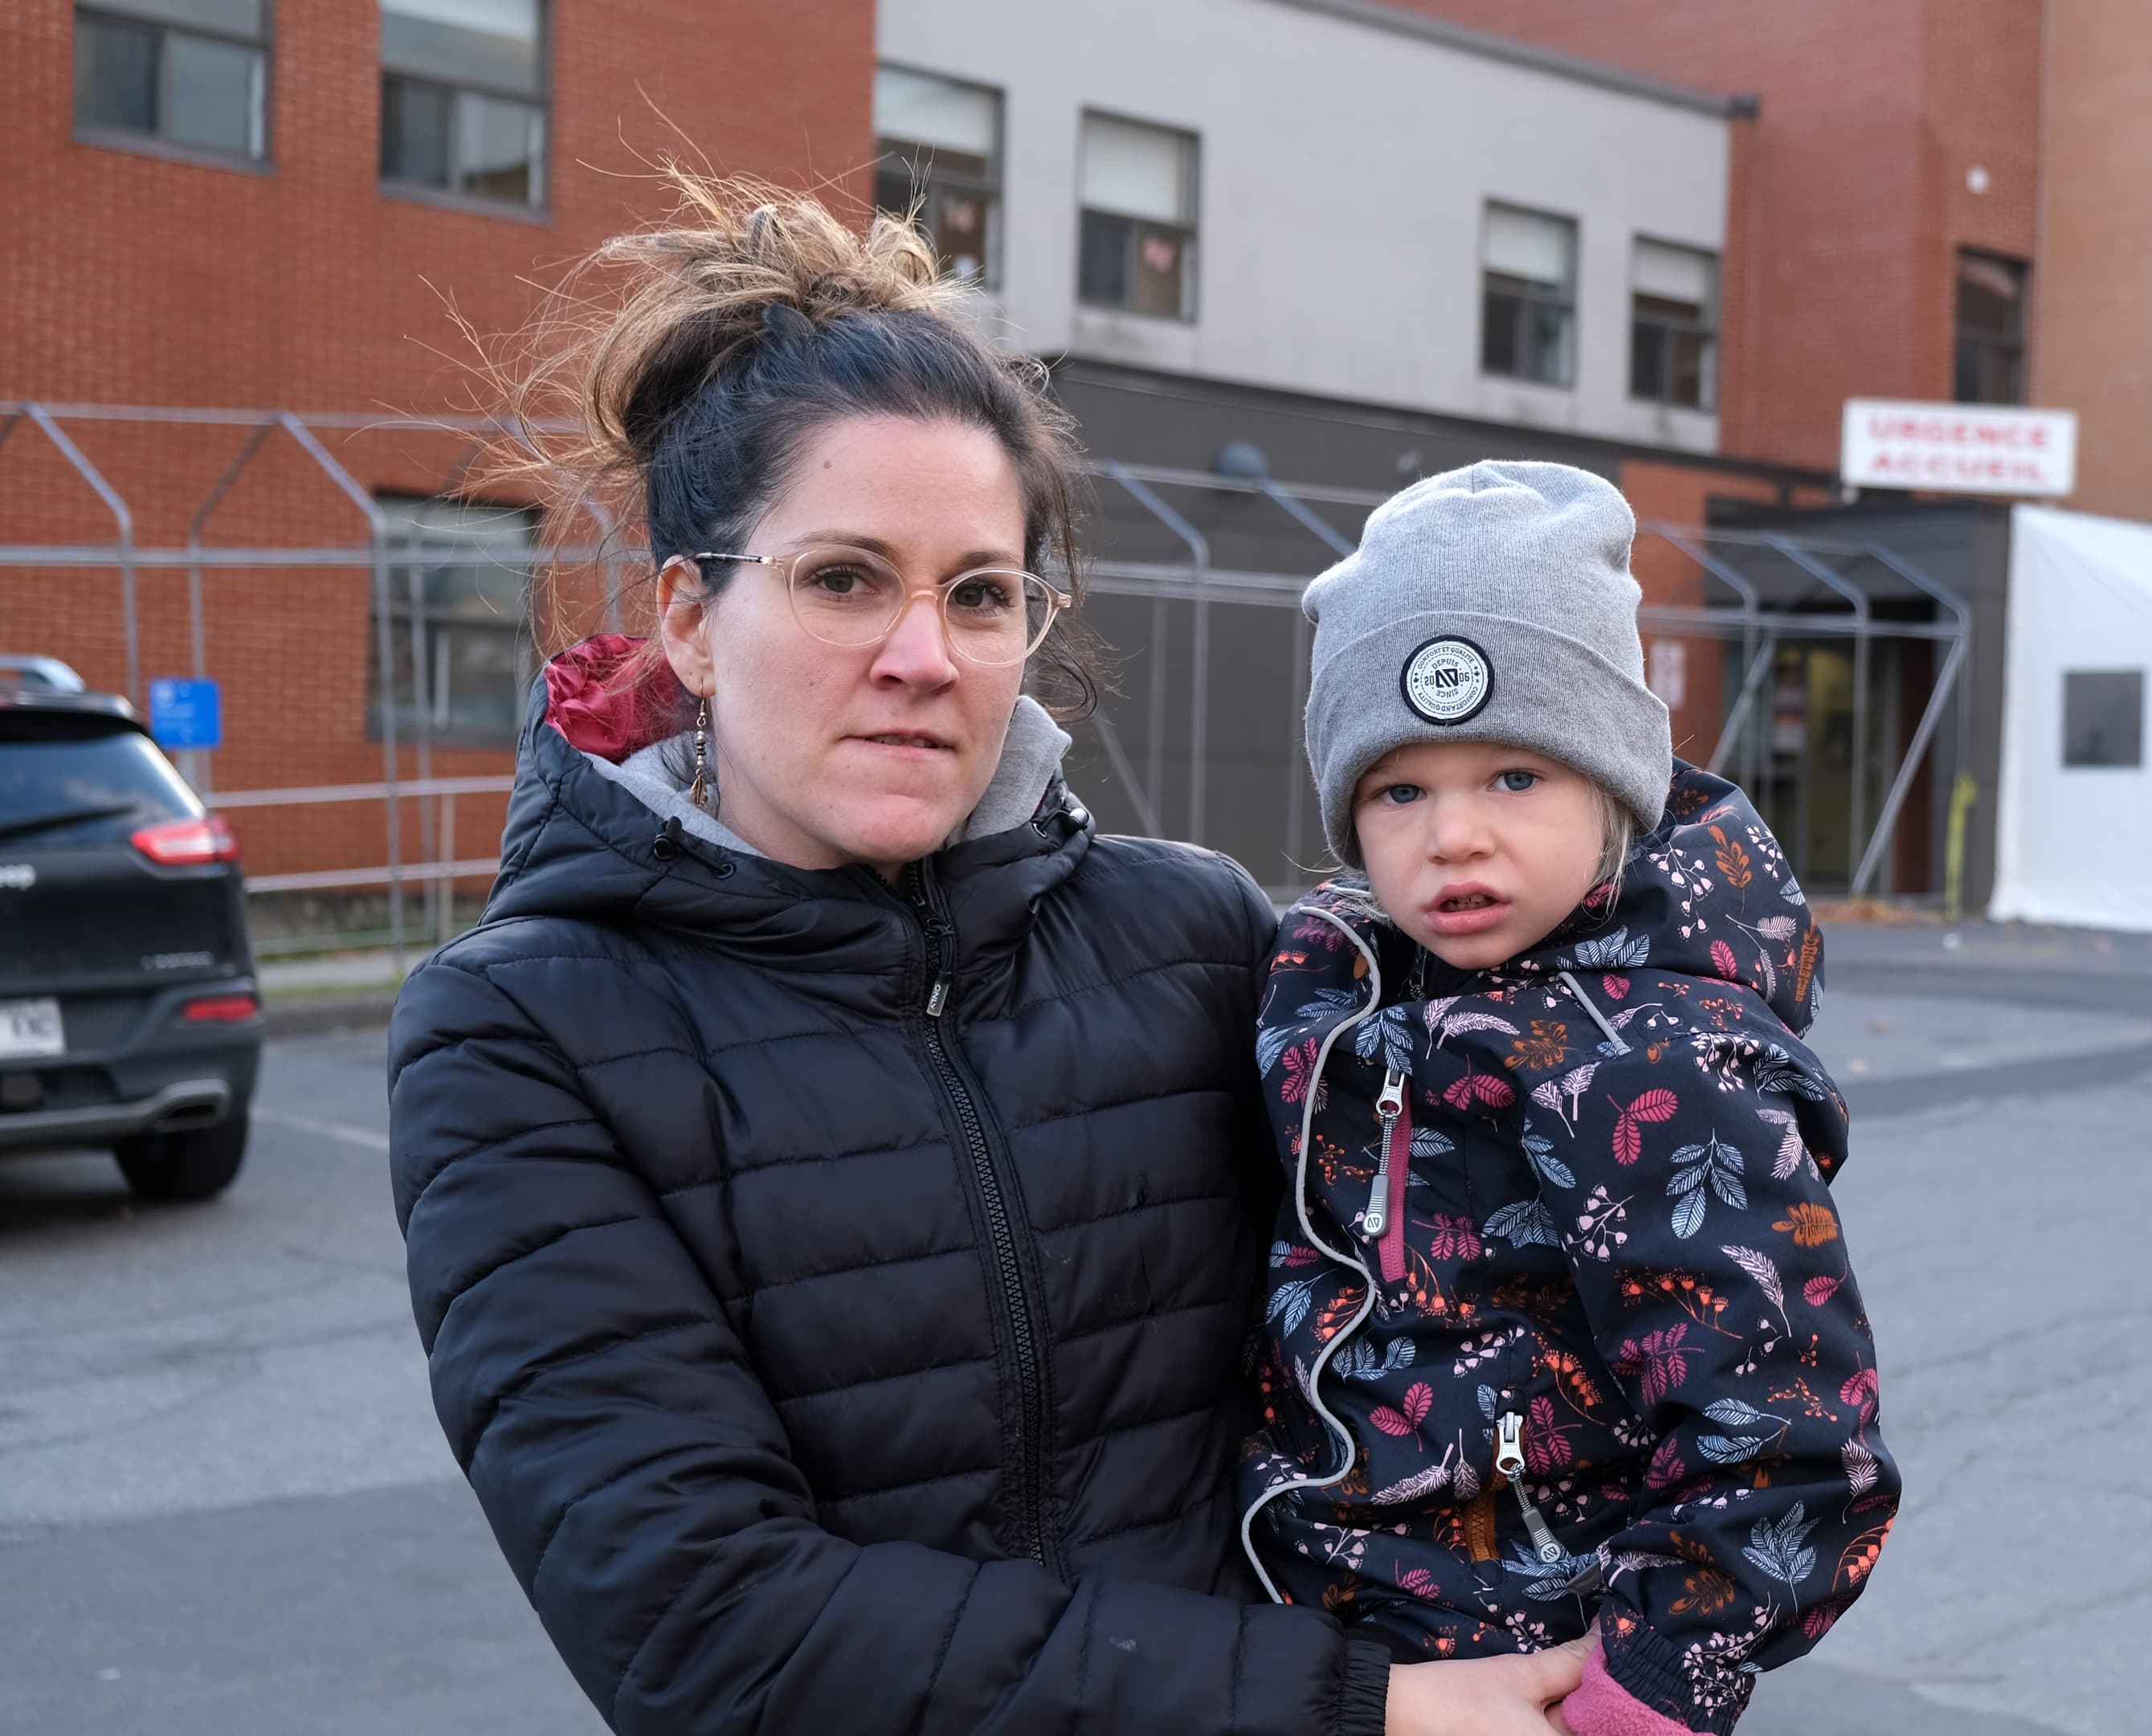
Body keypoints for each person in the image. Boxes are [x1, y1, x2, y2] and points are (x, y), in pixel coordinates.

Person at [387, 179, 1581, 1734]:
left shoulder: (1202, 942)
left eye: (979, 593)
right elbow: (713, 1627)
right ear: (687, 618)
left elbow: (1502, 1278)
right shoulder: (519, 1034)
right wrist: (1360, 1706)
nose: (923, 656)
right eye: (842, 578)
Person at [1240, 463, 1900, 1735]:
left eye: (1514, 777)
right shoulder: (1329, 993)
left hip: (1534, 1663)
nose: (1453, 835)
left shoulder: (1658, 1060)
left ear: (1613, 784)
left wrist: (1643, 1691)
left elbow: (1789, 1427)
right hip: (1332, 1645)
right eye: (1400, 789)